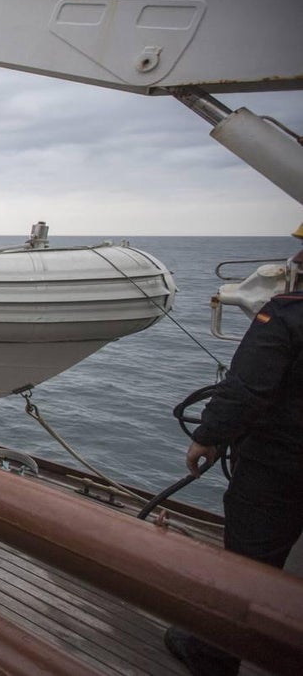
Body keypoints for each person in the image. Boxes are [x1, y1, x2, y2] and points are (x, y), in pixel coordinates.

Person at [164, 239, 303, 676]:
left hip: (279, 467)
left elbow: (247, 388)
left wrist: (209, 436)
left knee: (249, 562)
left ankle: (213, 657)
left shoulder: (286, 313)